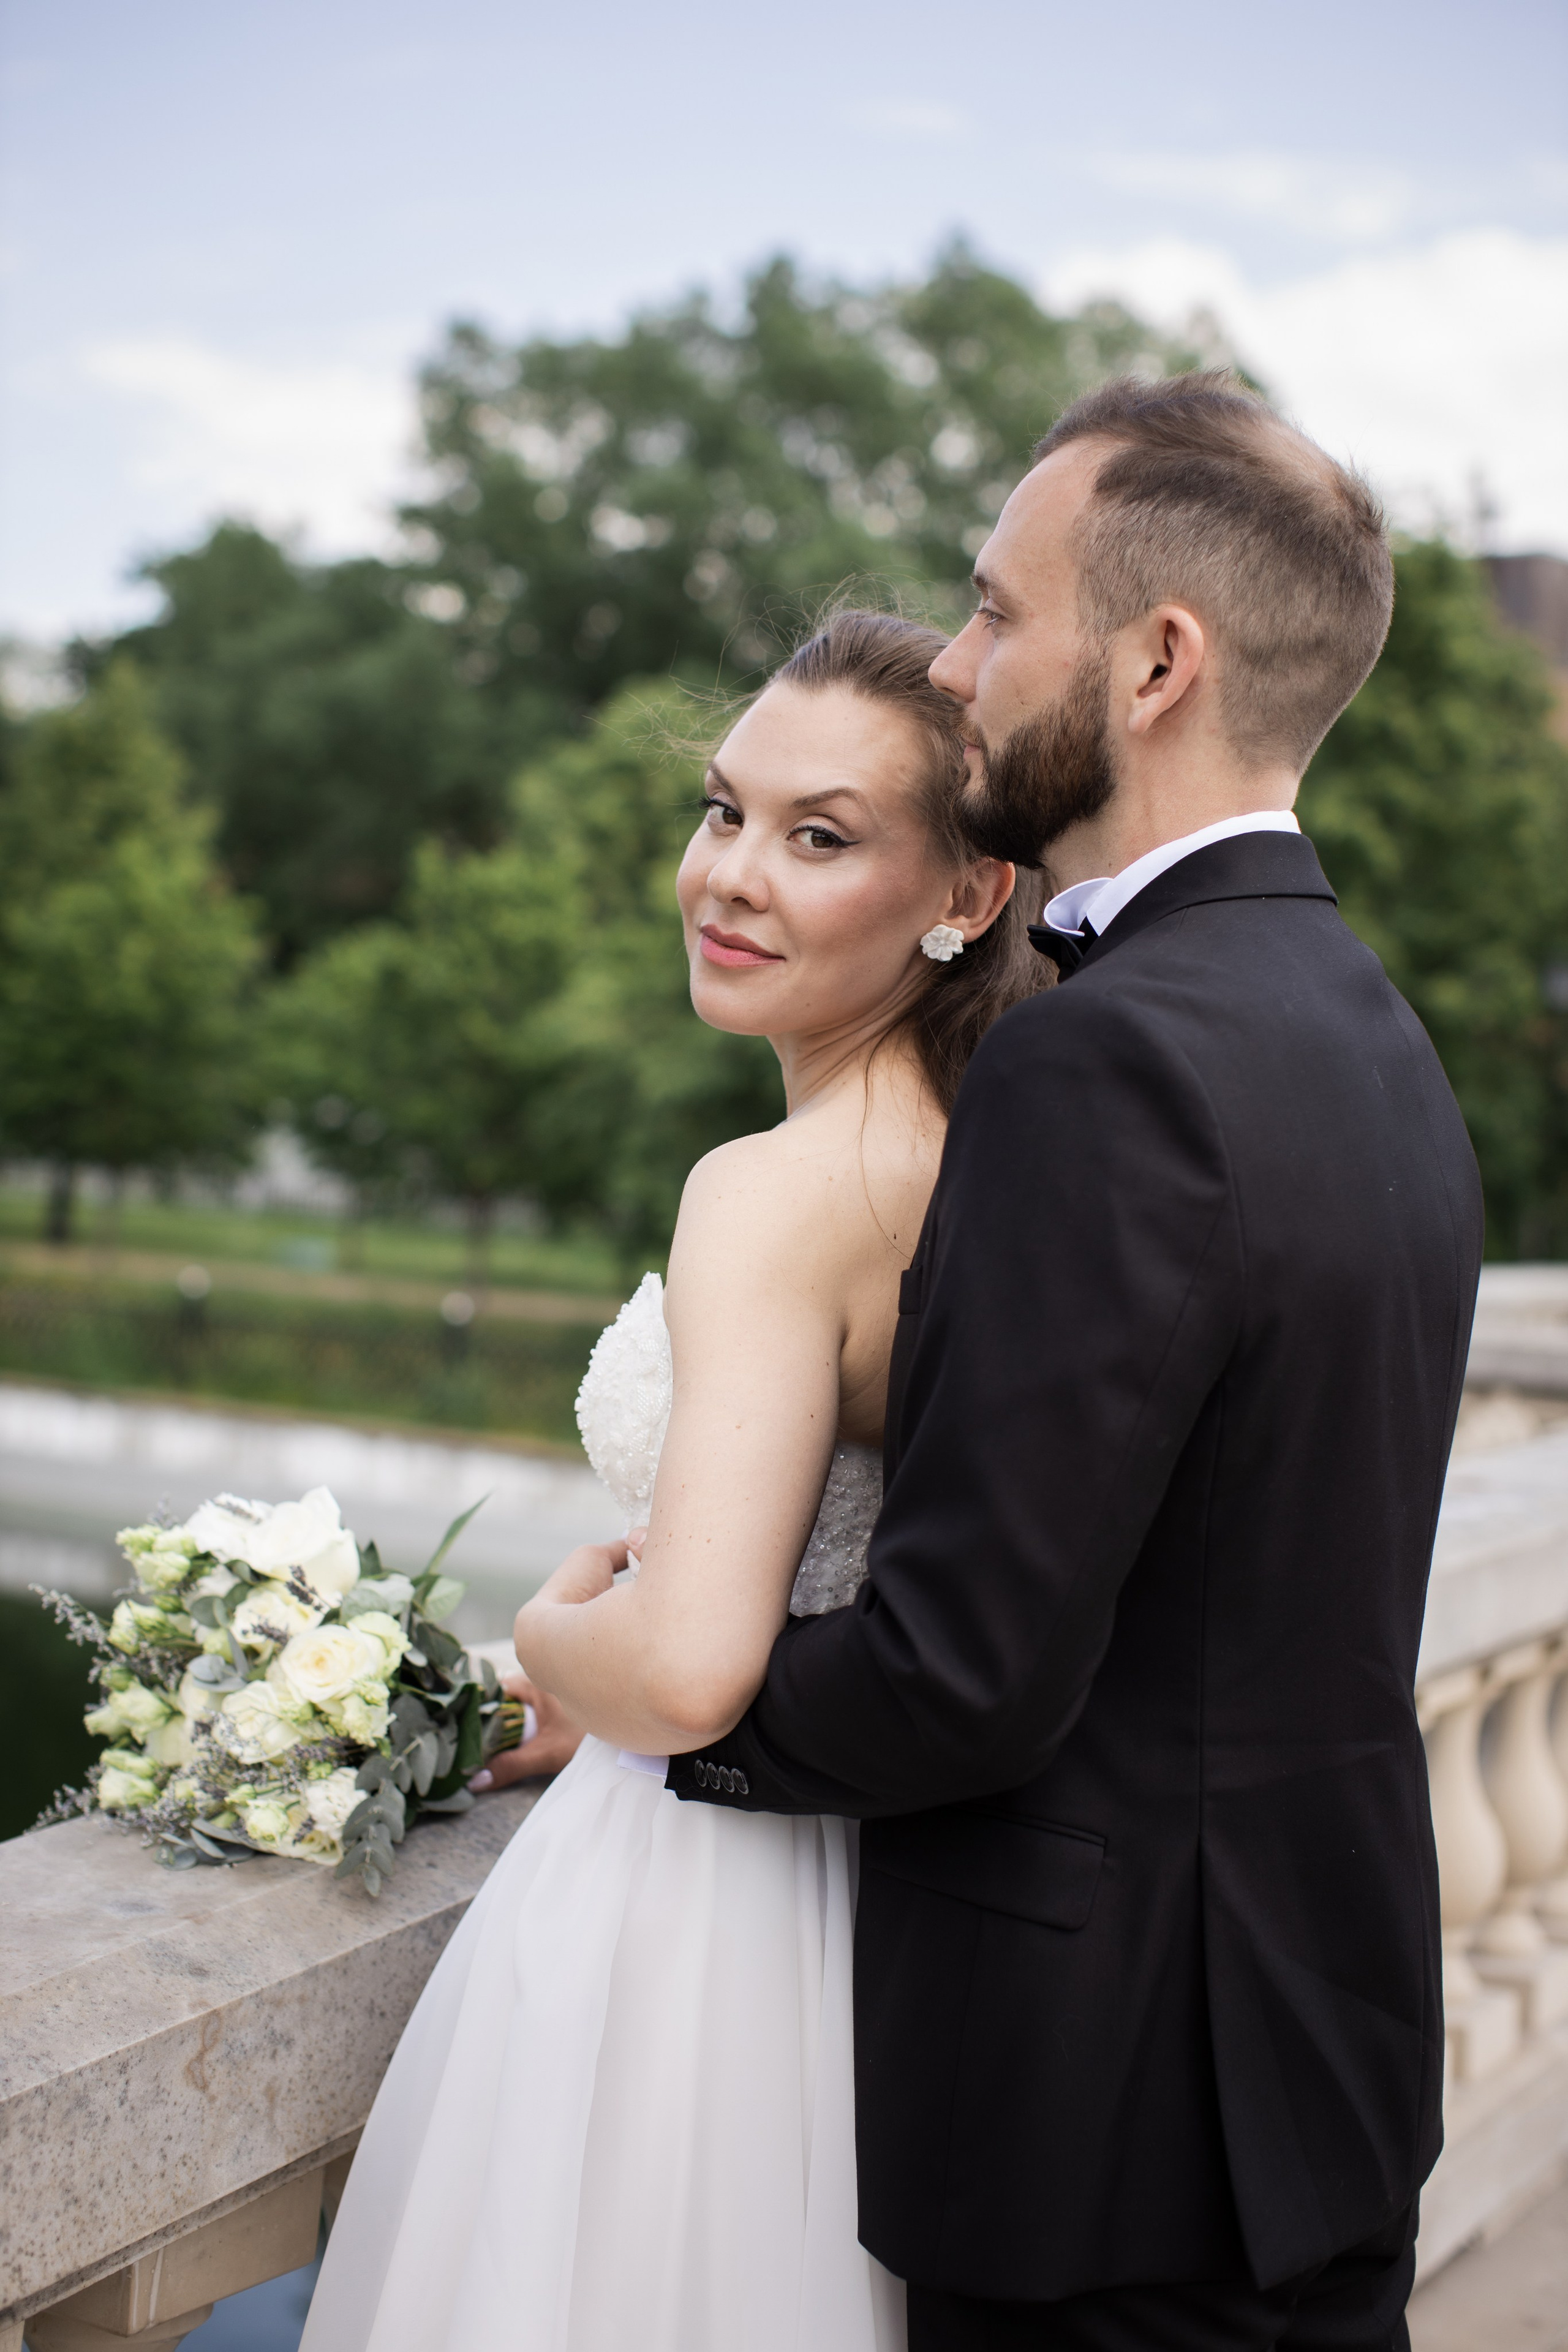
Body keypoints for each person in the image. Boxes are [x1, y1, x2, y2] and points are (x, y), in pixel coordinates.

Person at [635, 374, 1485, 2350]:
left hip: (1101, 2128)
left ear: (1158, 663)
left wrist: (643, 1698)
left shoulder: (1105, 1064)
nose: (958, 660)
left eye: (999, 610)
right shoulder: (1370, 1030)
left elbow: (961, 1677)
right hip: (1320, 2070)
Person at [300, 610, 1046, 2352]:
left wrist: (565, 1640)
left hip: (698, 1908)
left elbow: (699, 1667)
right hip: (880, 1892)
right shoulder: (999, 1155)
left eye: (819, 837)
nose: (730, 877)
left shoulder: (774, 1191)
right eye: (724, 811)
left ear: (968, 892)